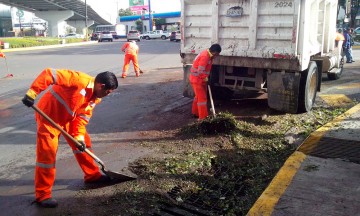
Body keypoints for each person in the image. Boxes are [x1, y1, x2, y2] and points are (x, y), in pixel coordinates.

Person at [21, 68, 118, 208]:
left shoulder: (95, 98)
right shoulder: (78, 80)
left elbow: (82, 117)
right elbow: (50, 74)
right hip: (49, 117)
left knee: (84, 144)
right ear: (101, 86)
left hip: (69, 118)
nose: (107, 95)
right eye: (107, 92)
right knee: (47, 156)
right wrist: (32, 92)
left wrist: (78, 137)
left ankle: (92, 175)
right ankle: (43, 195)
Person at [189, 43, 222, 120]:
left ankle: (195, 113)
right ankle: (203, 118)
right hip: (197, 80)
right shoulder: (205, 56)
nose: (217, 56)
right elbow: (200, 71)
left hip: (199, 79)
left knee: (198, 97)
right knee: (202, 99)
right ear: (214, 52)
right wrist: (206, 78)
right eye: (217, 54)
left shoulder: (209, 55)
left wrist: (206, 78)